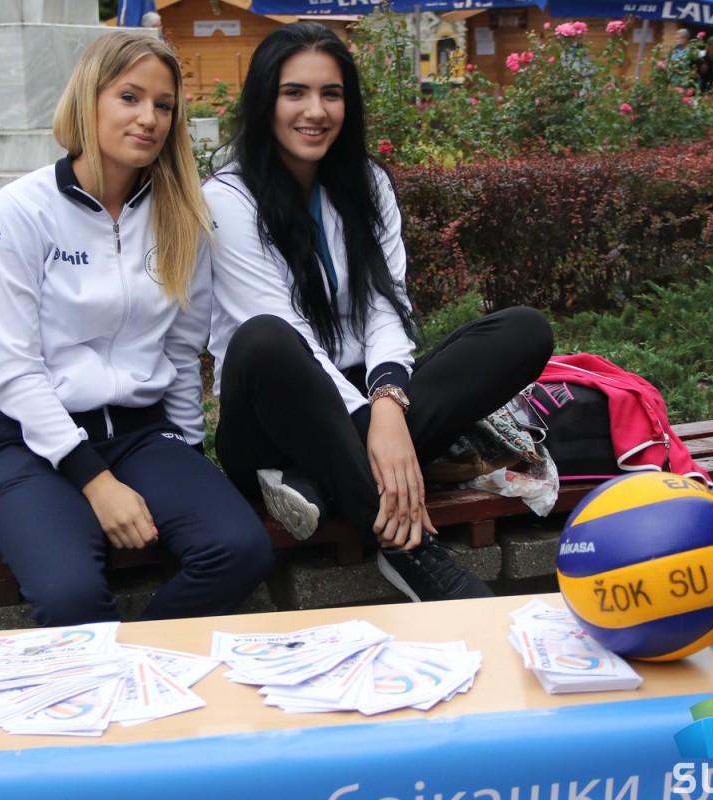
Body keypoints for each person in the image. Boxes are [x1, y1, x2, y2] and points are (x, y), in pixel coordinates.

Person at [203, 22, 554, 603]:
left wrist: (388, 403)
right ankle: (411, 552)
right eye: (295, 93)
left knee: (523, 331)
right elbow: (286, 330)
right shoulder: (227, 199)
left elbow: (386, 308)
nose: (315, 111)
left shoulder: (367, 184)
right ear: (265, 100)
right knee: (266, 338)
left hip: (363, 396)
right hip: (269, 418)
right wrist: (377, 426)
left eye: (331, 94)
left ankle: (318, 480)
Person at [0, 32, 273, 627]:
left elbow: (181, 352)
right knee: (71, 596)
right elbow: (15, 371)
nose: (149, 118)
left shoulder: (181, 214)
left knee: (240, 550)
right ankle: (107, 674)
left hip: (141, 436)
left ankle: (142, 666)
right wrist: (96, 482)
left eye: (164, 105)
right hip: (31, 446)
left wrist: (188, 458)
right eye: (130, 97)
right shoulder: (20, 211)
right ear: (89, 99)